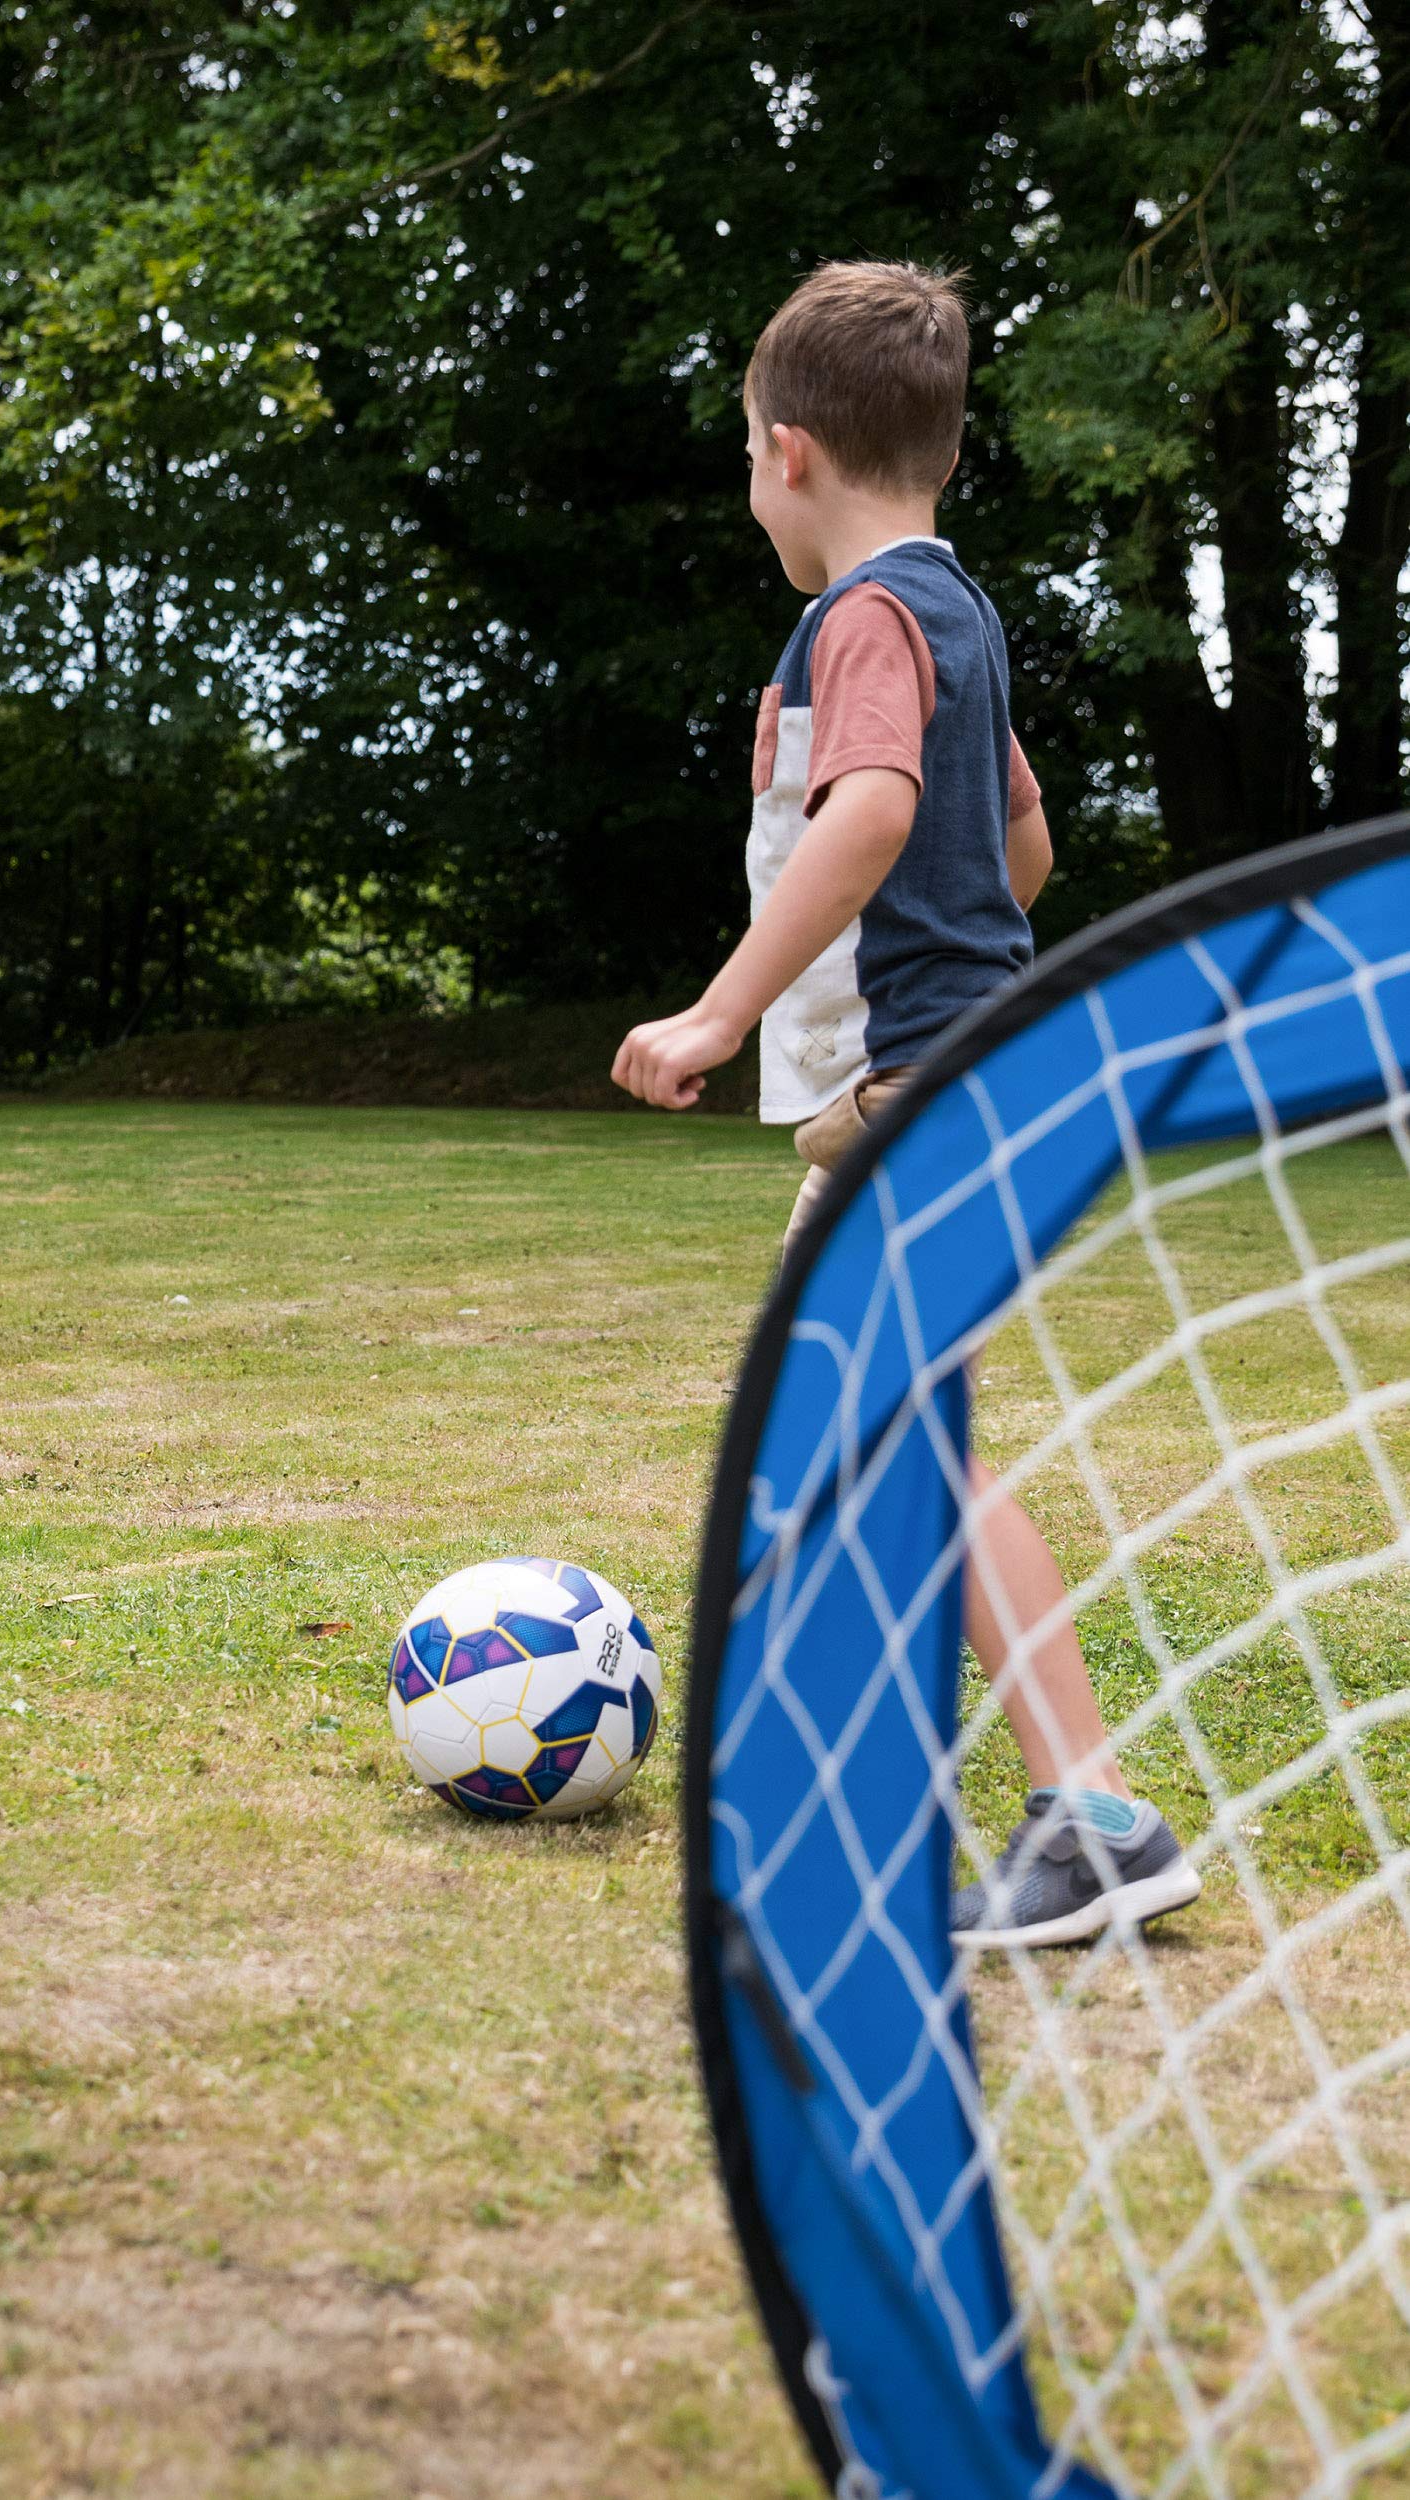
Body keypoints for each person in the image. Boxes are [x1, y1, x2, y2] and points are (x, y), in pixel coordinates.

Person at [612, 261, 1197, 1950]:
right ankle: (842, 1767)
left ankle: (1092, 1814)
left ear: (787, 455)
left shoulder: (858, 623)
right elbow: (1024, 850)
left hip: (916, 1098)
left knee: (906, 1446)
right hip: (947, 1086)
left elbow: (872, 811)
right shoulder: (959, 615)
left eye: (741, 456)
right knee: (837, 1439)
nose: (748, 485)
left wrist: (725, 1005)